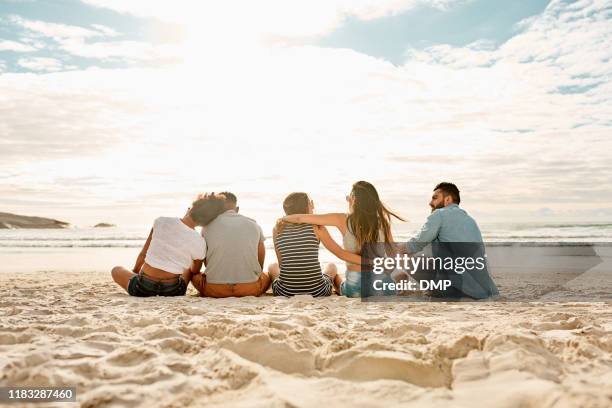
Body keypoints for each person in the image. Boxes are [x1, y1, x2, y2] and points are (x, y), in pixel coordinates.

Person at [282, 181, 404, 297]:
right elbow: (393, 254)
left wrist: (283, 218)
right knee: (398, 278)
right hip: (382, 286)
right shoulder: (383, 222)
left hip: (356, 286)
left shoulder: (342, 219)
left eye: (348, 198)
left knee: (337, 281)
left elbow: (300, 219)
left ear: (353, 200)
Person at [111, 193, 225, 297]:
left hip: (142, 287)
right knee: (189, 267)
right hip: (173, 291)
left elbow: (143, 254)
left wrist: (135, 272)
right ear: (205, 222)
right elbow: (195, 270)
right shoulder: (200, 242)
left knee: (116, 270)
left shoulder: (161, 221)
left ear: (190, 209)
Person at [405, 182, 499, 299]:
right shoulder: (470, 220)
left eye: (435, 198)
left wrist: (398, 249)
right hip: (481, 289)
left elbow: (416, 243)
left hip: (452, 287)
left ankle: (437, 289)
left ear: (448, 199)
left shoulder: (439, 214)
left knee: (404, 259)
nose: (430, 203)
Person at [268, 192, 362, 297]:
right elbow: (339, 252)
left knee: (273, 266)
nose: (312, 205)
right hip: (317, 291)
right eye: (310, 202)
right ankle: (341, 290)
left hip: (285, 292)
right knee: (331, 266)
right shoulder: (316, 227)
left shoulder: (277, 229)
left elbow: (282, 264)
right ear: (307, 206)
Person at [190, 192, 271, 297]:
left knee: (195, 276)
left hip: (215, 290)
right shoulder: (254, 225)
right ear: (237, 209)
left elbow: (205, 262)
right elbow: (260, 263)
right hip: (249, 289)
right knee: (267, 275)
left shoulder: (207, 227)